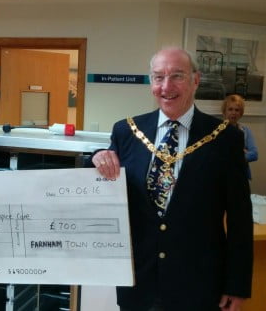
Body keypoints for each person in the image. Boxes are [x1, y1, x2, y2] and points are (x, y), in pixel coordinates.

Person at [93, 47, 253, 311]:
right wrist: (97, 158)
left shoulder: (225, 138)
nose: (166, 86)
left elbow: (240, 219)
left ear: (195, 80)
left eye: (177, 76)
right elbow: (105, 181)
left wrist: (237, 285)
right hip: (138, 283)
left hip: (198, 284)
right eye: (158, 77)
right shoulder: (126, 131)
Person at [221, 94, 258, 179]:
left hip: (241, 175)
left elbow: (254, 154)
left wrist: (233, 156)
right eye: (230, 109)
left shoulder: (246, 131)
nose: (233, 113)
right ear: (224, 111)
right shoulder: (217, 131)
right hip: (222, 175)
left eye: (237, 110)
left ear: (241, 113)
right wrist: (241, 152)